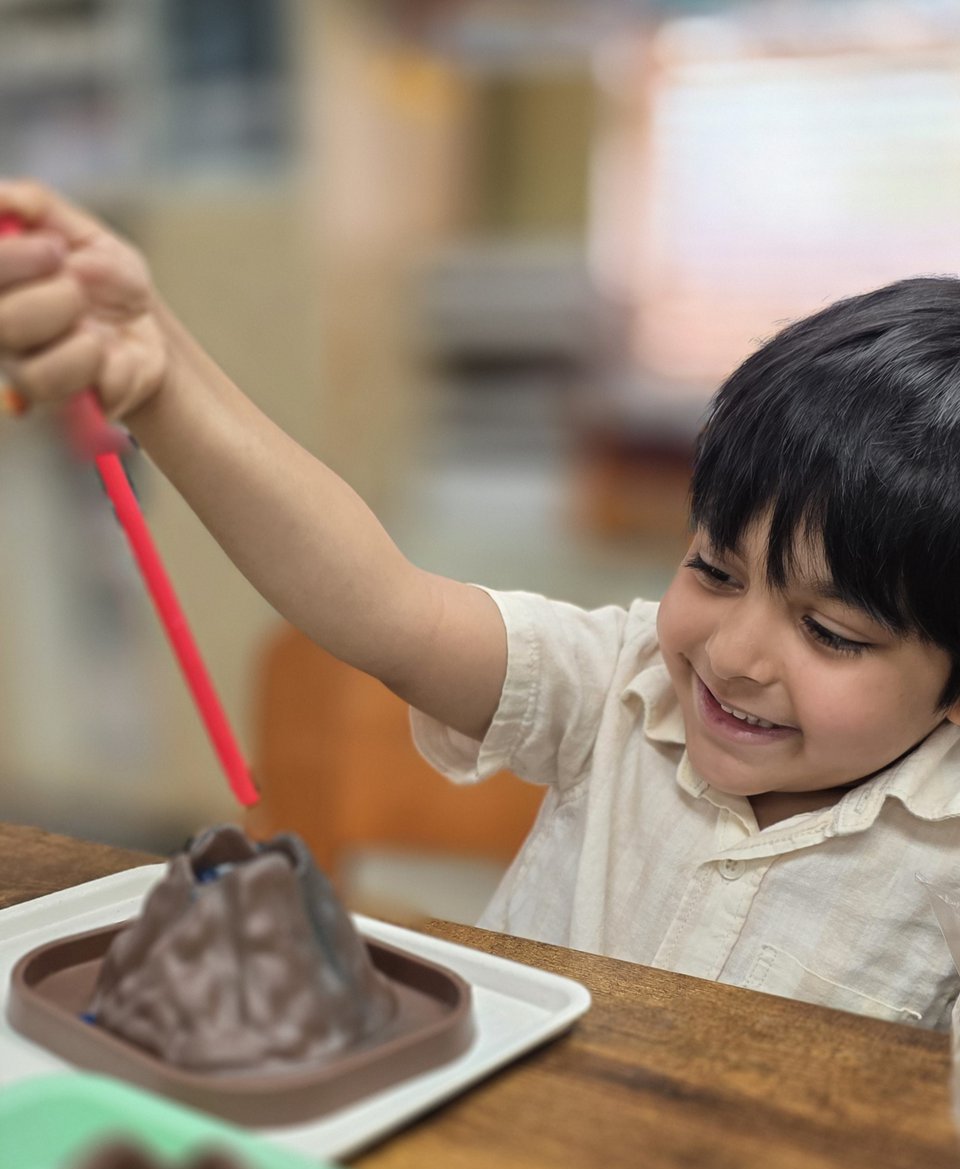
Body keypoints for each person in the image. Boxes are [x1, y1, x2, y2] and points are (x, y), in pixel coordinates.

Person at [1, 180, 958, 1030]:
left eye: (830, 632)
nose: (736, 653)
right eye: (713, 569)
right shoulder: (620, 686)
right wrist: (160, 371)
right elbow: (382, 606)